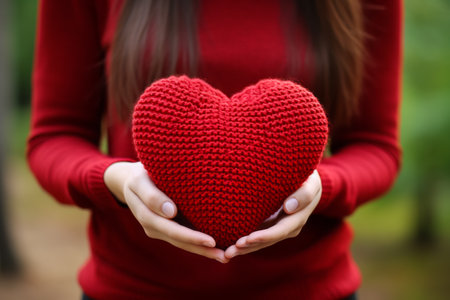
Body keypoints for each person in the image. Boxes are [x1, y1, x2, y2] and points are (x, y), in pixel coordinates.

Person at [27, 0, 402, 299]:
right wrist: (118, 181)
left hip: (309, 287)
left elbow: (377, 146)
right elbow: (54, 137)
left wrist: (321, 186)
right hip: (131, 287)